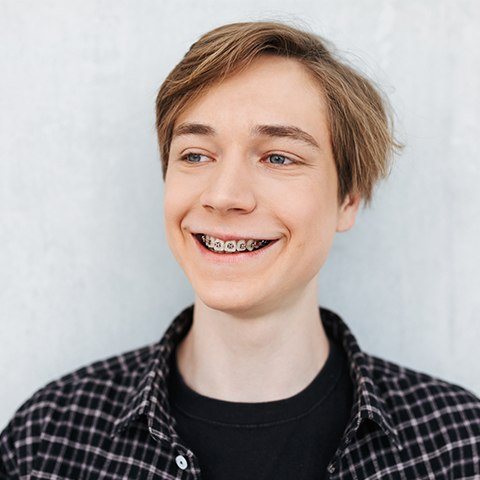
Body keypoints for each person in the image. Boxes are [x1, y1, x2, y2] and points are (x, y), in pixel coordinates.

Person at [1, 20, 479, 480]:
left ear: (347, 199)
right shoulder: (48, 438)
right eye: (195, 155)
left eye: (277, 157)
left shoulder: (459, 443)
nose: (224, 195)